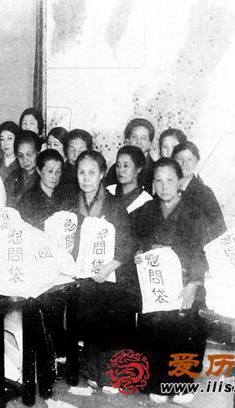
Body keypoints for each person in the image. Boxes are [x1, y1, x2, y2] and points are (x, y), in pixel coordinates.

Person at [133, 158, 208, 404]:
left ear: (179, 182)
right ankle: (157, 382)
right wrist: (139, 254)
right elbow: (137, 243)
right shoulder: (146, 210)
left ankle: (183, 384)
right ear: (152, 183)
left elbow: (201, 252)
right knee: (155, 330)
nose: (164, 186)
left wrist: (194, 284)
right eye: (158, 181)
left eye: (169, 180)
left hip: (185, 281)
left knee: (183, 332)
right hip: (156, 281)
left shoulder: (193, 212)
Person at [70, 150, 137, 392]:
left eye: (92, 173)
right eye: (81, 172)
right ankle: (92, 372)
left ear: (102, 175)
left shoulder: (114, 204)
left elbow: (128, 242)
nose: (86, 178)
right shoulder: (72, 203)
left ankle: (113, 377)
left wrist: (110, 267)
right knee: (89, 322)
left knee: (111, 324)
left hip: (112, 275)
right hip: (85, 276)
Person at [172, 141, 226, 244]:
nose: (184, 164)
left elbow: (219, 230)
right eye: (179, 158)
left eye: (190, 159)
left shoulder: (205, 193)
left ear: (196, 162)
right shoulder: (165, 190)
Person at [16, 149, 71, 230]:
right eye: (50, 171)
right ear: (39, 170)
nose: (54, 176)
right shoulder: (26, 201)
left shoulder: (67, 196)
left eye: (58, 172)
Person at [105, 118, 156, 192]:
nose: (138, 142)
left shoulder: (155, 169)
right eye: (134, 137)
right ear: (127, 141)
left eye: (143, 138)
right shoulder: (115, 169)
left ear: (150, 144)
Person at [106, 146, 153, 214]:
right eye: (118, 165)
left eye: (126, 166)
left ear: (138, 169)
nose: (120, 170)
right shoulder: (109, 191)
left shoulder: (146, 200)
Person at [4, 130, 41, 208]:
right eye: (20, 156)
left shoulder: (44, 176)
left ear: (38, 153)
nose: (25, 160)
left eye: (29, 155)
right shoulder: (13, 177)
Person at [58, 129, 93, 194]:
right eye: (71, 150)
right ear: (66, 150)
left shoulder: (94, 173)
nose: (76, 155)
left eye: (81, 151)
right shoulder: (59, 172)